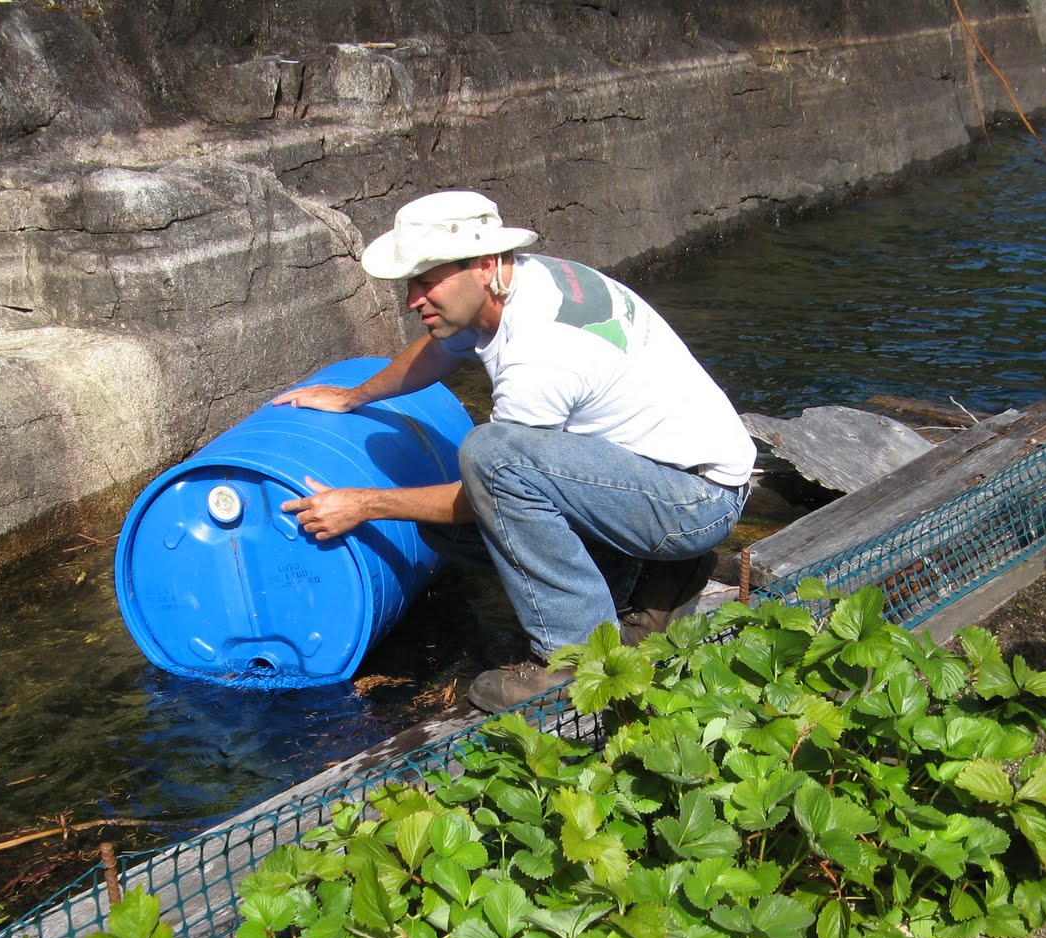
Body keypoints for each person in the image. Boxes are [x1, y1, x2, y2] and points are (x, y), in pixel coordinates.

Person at [274, 190, 755, 712]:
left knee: (490, 457)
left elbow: (491, 486)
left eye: (428, 281)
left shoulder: (539, 354)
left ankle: (574, 662)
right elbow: (441, 347)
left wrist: (365, 505)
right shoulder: (522, 280)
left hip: (694, 502)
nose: (413, 298)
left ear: (483, 265)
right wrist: (355, 396)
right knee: (442, 524)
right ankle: (656, 580)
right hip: (664, 476)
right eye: (411, 282)